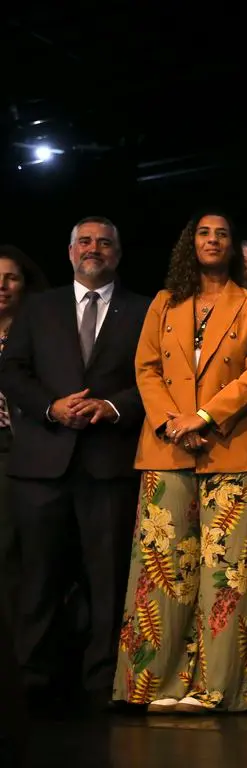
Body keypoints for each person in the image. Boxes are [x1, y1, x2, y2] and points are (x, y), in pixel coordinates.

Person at [113, 210, 247, 713]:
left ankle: (219, 688)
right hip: (167, 447)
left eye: (222, 234)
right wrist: (171, 422)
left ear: (233, 247)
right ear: (191, 243)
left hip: (231, 447)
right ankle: (155, 685)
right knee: (162, 571)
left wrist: (203, 417)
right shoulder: (164, 302)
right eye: (204, 233)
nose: (213, 240)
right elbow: (145, 368)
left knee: (226, 574)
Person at [0, 217, 149, 712]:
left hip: (109, 465)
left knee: (107, 581)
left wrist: (112, 407)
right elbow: (12, 370)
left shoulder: (144, 309)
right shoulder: (39, 307)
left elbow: (154, 378)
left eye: (104, 243)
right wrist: (50, 407)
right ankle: (34, 680)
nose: (94, 249)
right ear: (69, 252)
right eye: (84, 242)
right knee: (38, 580)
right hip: (41, 465)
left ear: (117, 254)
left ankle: (102, 682)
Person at [0, 245, 48, 624]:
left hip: (21, 450)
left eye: (10, 278)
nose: (1, 286)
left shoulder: (41, 334)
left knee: (16, 552)